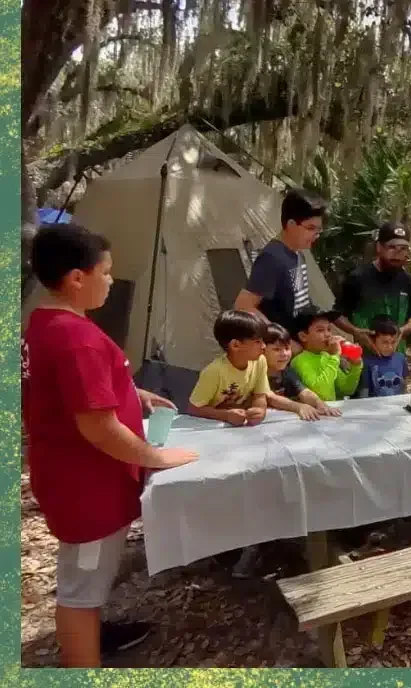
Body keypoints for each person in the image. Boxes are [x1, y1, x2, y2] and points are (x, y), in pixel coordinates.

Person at [21, 224, 198, 668]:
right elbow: (97, 426)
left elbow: (69, 393)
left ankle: (94, 633)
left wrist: (131, 394)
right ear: (77, 277)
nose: (111, 280)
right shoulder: (75, 337)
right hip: (88, 488)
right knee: (80, 590)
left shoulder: (45, 323)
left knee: (89, 580)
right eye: (106, 271)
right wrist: (157, 457)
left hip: (74, 478)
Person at [234, 189, 327, 338]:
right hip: (280, 352)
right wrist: (282, 340)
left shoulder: (298, 255)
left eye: (318, 230)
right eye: (310, 228)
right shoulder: (272, 257)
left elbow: (299, 304)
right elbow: (243, 306)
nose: (315, 235)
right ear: (290, 225)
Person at [335, 222, 411, 356]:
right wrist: (355, 331)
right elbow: (336, 315)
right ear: (379, 247)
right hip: (361, 361)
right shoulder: (357, 278)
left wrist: (405, 329)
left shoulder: (409, 282)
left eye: (403, 248)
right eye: (392, 247)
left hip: (396, 361)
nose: (397, 253)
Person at [187, 310, 270, 426]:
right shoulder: (214, 372)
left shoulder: (260, 361)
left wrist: (260, 410)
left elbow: (260, 395)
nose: (264, 346)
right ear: (235, 345)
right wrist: (225, 415)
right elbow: (193, 409)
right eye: (257, 341)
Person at [263, 322, 341, 420]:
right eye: (277, 349)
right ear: (262, 351)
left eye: (287, 348)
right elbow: (271, 397)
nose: (284, 354)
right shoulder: (258, 372)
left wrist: (319, 404)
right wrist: (299, 407)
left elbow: (304, 392)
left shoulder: (287, 372)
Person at [290, 309, 363, 402]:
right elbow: (322, 393)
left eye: (329, 329)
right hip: (314, 414)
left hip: (331, 412)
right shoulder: (300, 360)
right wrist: (335, 355)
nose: (328, 334)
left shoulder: (326, 356)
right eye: (320, 330)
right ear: (303, 336)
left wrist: (356, 366)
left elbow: (347, 389)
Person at [358, 315, 409, 398]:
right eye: (385, 342)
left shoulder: (400, 358)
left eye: (393, 342)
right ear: (372, 340)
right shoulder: (366, 362)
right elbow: (364, 393)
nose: (390, 347)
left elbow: (404, 386)